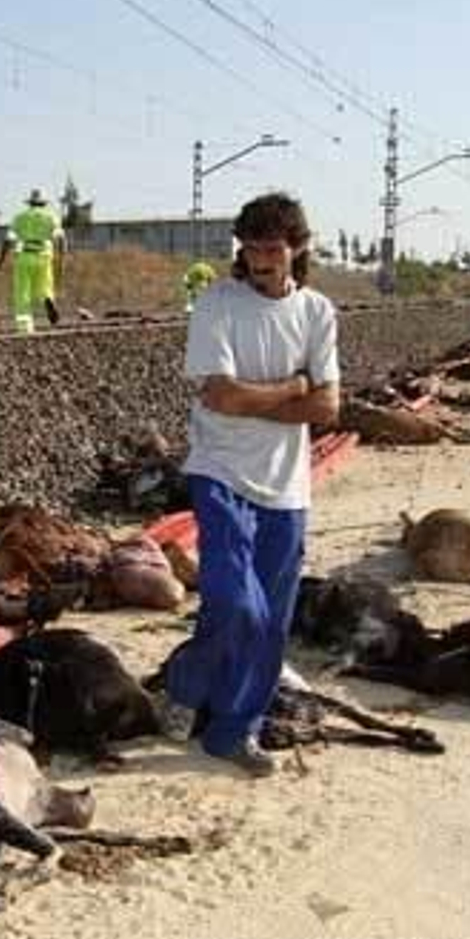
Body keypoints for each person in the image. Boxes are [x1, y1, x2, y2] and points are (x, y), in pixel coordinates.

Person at [162, 192, 340, 776]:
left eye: (272, 249)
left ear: (297, 249)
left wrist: (260, 398)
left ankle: (232, 730)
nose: (261, 260)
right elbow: (219, 396)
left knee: (270, 622)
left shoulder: (316, 313)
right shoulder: (218, 303)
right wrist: (291, 389)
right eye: (252, 248)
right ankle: (188, 683)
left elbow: (330, 408)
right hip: (221, 472)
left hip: (287, 487)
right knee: (239, 604)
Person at [0, 188, 66, 334]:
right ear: (43, 203)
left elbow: (8, 239)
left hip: (24, 256)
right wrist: (62, 259)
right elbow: (61, 238)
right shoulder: (51, 217)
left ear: (29, 203)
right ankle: (48, 299)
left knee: (23, 293)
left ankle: (25, 328)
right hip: (44, 256)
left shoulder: (20, 217)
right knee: (45, 286)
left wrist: (1, 259)